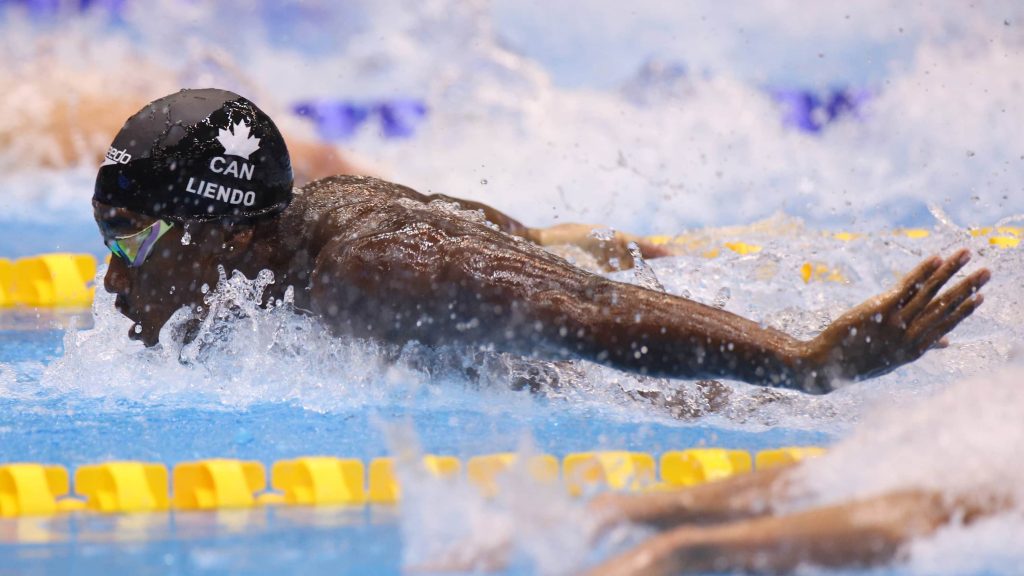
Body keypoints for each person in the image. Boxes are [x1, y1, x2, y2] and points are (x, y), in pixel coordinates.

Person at [93, 89, 990, 393]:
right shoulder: (292, 234)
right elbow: (517, 250)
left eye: (129, 240)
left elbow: (589, 310)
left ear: (228, 231)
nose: (110, 279)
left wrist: (808, 361)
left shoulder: (368, 268)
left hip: (697, 400)